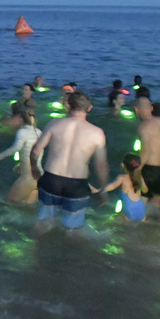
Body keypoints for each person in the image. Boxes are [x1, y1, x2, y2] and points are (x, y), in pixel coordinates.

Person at [29, 91, 108, 229]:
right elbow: (100, 165)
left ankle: (36, 248)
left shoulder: (54, 124)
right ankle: (70, 249)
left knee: (43, 222)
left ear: (68, 106)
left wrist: (34, 168)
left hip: (51, 180)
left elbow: (36, 150)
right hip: (76, 185)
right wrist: (102, 189)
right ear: (89, 108)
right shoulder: (97, 133)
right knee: (73, 228)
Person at [0, 108, 41, 204]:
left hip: (27, 178)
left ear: (21, 119)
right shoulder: (39, 132)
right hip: (38, 179)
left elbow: (15, 148)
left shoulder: (22, 132)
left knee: (8, 204)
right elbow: (37, 154)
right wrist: (21, 164)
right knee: (27, 211)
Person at [97, 155, 150, 221]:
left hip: (129, 211)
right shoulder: (139, 178)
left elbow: (112, 186)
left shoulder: (122, 178)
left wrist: (100, 190)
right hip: (141, 211)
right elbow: (145, 191)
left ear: (122, 165)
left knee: (114, 221)